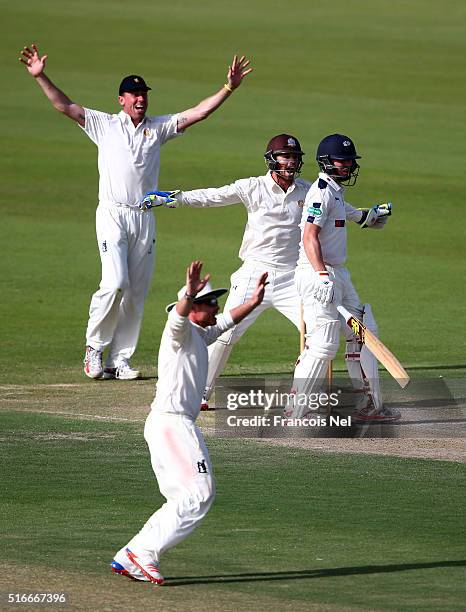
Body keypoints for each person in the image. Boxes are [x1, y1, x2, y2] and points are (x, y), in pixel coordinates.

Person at [19, 44, 252, 381]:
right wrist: (41, 77)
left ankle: (120, 360)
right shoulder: (104, 124)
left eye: (143, 94)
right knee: (114, 283)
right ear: (121, 100)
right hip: (112, 213)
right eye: (134, 94)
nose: (140, 99)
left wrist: (228, 88)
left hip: (144, 216)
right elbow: (64, 106)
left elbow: (198, 113)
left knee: (136, 293)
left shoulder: (157, 128)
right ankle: (94, 348)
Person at [110, 260, 268, 584]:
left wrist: (252, 303)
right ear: (195, 307)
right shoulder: (178, 332)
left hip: (174, 424)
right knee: (200, 493)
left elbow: (225, 322)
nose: (217, 306)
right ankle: (141, 553)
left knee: (185, 497)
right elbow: (178, 316)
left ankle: (136, 552)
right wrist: (188, 294)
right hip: (172, 423)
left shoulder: (200, 334)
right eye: (210, 302)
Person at [145, 134, 311, 407]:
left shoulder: (307, 190)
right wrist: (176, 198)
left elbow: (334, 208)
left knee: (315, 334)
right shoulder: (253, 187)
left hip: (293, 278)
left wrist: (363, 215)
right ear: (272, 159)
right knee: (225, 333)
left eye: (294, 157)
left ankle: (301, 398)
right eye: (285, 156)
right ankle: (201, 390)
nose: (291, 162)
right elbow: (214, 196)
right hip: (254, 273)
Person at [286, 133, 400, 422]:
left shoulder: (335, 192)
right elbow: (308, 235)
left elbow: (354, 216)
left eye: (350, 160)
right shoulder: (320, 193)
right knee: (323, 344)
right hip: (317, 274)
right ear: (326, 162)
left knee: (362, 333)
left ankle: (368, 405)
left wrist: (373, 215)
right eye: (342, 160)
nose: (348, 165)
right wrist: (322, 275)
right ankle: (294, 411)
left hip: (339, 274)